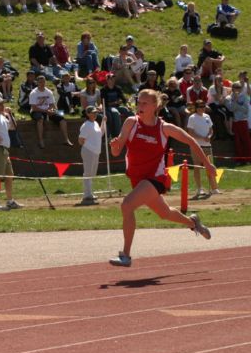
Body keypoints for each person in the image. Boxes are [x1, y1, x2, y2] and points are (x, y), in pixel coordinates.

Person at [108, 89, 214, 268]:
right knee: (165, 213)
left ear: (155, 106)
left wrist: (207, 164)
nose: (139, 106)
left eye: (144, 103)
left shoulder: (165, 128)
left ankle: (126, 255)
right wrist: (114, 147)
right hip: (137, 179)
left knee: (127, 205)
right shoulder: (130, 123)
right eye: (138, 102)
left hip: (155, 178)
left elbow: (191, 141)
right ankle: (193, 223)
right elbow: (117, 151)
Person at [186, 100, 219, 197]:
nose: (202, 108)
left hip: (207, 145)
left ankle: (214, 188)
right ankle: (199, 189)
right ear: (196, 107)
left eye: (203, 106)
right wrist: (201, 137)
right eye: (200, 106)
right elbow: (190, 132)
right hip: (197, 145)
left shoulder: (207, 116)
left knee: (210, 166)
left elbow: (211, 130)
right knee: (197, 167)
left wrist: (209, 136)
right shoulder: (192, 117)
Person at [29, 75, 72, 148]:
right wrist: (45, 111)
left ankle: (66, 139)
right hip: (36, 111)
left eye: (43, 82)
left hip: (47, 110)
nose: (42, 83)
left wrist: (51, 111)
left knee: (62, 119)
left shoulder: (49, 92)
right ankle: (41, 141)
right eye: (40, 82)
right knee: (40, 119)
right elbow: (34, 107)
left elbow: (53, 105)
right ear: (37, 83)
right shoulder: (33, 93)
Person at [78, 105, 102, 206]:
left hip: (96, 151)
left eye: (96, 112)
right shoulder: (86, 125)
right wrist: (89, 147)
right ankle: (86, 194)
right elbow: (80, 140)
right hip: (88, 151)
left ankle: (89, 193)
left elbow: (100, 134)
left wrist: (104, 122)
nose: (95, 114)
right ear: (87, 114)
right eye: (93, 112)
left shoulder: (96, 123)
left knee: (92, 173)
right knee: (88, 173)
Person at [226, 81, 251, 163]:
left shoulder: (244, 97)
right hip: (235, 122)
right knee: (237, 142)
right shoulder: (228, 98)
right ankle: (239, 160)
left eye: (239, 87)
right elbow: (231, 109)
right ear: (232, 88)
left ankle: (248, 159)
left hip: (243, 121)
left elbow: (246, 110)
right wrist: (236, 101)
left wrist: (237, 106)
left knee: (246, 141)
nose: (238, 89)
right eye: (236, 87)